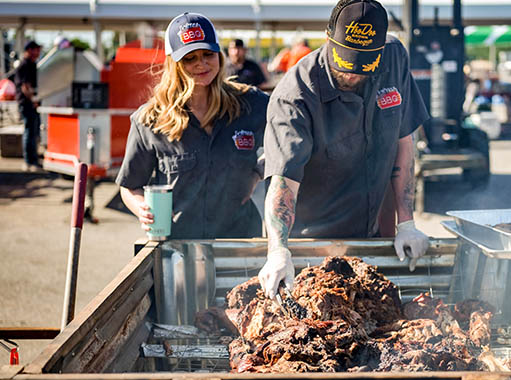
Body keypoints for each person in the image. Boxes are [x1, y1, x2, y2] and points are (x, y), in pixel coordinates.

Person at [258, 0, 431, 298]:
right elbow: (283, 182)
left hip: (368, 236)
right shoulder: (296, 97)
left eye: (364, 65)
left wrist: (407, 221)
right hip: (308, 247)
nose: (353, 74)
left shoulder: (394, 59)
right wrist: (278, 251)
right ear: (328, 37)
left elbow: (404, 141)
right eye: (347, 62)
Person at [116, 12, 268, 239]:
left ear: (219, 55)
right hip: (179, 247)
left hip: (241, 243)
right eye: (190, 58)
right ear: (173, 63)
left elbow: (288, 139)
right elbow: (130, 185)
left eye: (208, 54)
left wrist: (257, 173)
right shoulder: (150, 120)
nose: (201, 64)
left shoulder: (250, 103)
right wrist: (142, 209)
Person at [15, 40, 42, 172]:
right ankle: (28, 162)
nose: (38, 52)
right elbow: (25, 87)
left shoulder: (32, 64)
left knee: (33, 132)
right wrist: (34, 100)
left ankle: (33, 160)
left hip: (31, 104)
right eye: (36, 49)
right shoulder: (24, 65)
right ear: (30, 50)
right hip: (26, 104)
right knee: (29, 132)